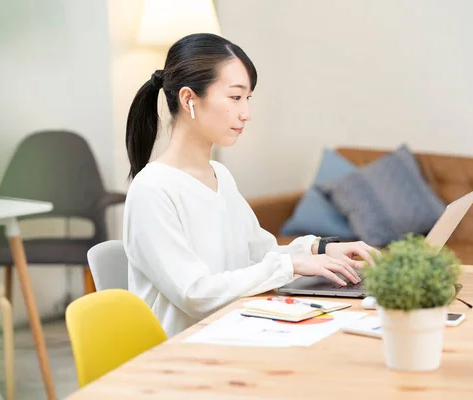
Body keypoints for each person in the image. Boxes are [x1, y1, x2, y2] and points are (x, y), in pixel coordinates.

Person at [122, 33, 379, 338]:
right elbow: (195, 294)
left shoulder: (219, 175)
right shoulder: (152, 190)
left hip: (235, 333)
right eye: (235, 97)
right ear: (189, 99)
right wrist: (292, 266)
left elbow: (260, 253)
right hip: (184, 355)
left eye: (248, 98)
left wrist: (320, 248)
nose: (246, 113)